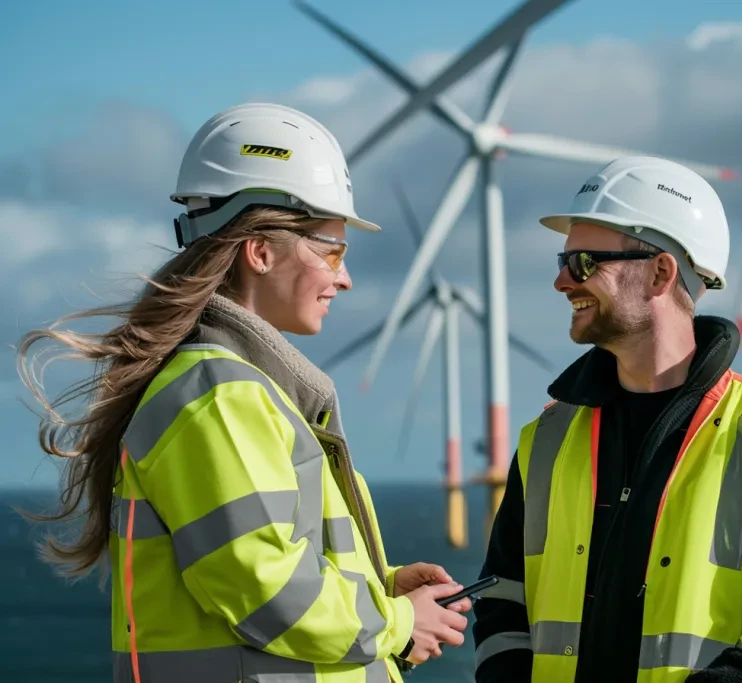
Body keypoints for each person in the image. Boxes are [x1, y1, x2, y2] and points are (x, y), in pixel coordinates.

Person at [17, 102, 471, 683]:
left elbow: (269, 561)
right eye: (332, 249)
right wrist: (396, 623)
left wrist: (381, 588)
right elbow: (265, 591)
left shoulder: (245, 392)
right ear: (260, 252)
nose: (345, 276)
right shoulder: (219, 396)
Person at [471, 155, 742, 682]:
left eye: (583, 262)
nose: (561, 280)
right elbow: (504, 601)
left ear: (659, 272)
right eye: (563, 261)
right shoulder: (547, 440)